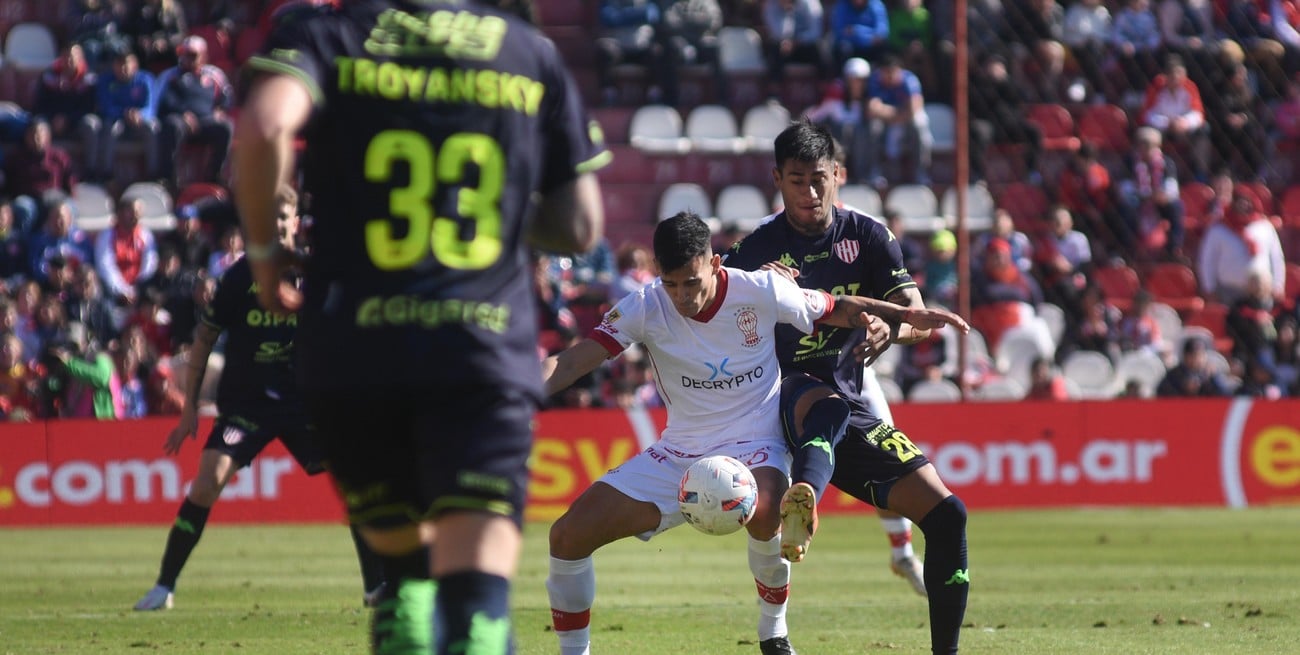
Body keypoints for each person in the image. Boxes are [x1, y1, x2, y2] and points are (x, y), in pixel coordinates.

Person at [234, 1, 607, 652]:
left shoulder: (329, 34)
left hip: (353, 350)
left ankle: (404, 599)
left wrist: (265, 258)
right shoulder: (528, 53)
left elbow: (264, 127)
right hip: (480, 350)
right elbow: (580, 226)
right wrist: (502, 208)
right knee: (477, 596)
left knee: (407, 580)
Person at [543, 212, 966, 655]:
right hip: (678, 450)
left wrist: (905, 315)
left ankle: (773, 634)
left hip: (756, 444)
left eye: (692, 282)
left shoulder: (760, 290)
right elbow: (573, 361)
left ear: (715, 263)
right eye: (672, 284)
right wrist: (516, 392)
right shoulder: (646, 304)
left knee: (768, 513)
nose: (682, 297)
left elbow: (837, 308)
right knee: (567, 536)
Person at [723, 119, 972, 654]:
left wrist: (891, 327)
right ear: (777, 180)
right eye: (796, 181)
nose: (810, 193)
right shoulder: (756, 249)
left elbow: (911, 314)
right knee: (815, 425)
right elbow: (710, 315)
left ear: (838, 174)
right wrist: (751, 292)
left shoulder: (869, 236)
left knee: (948, 516)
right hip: (774, 396)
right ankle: (802, 510)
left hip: (848, 394)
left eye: (819, 179)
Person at [133, 185, 384, 611]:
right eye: (273, 222)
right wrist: (190, 406)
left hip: (304, 403)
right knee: (208, 481)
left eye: (286, 220)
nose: (281, 228)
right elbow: (204, 341)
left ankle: (375, 587)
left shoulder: (314, 274)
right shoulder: (239, 277)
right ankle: (164, 586)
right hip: (247, 404)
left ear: (294, 224)